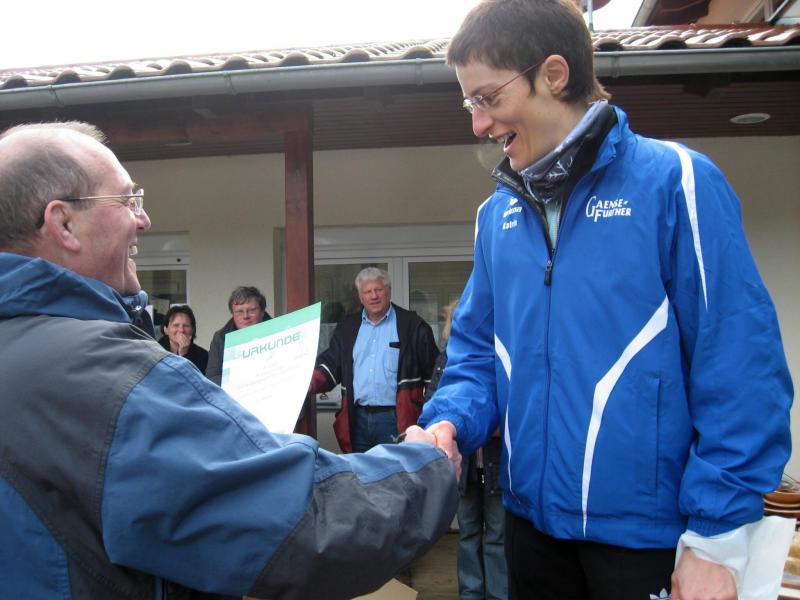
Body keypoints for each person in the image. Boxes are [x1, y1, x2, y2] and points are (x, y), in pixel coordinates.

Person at [413, 2, 794, 600]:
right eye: (470, 104)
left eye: (486, 98)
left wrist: (718, 539)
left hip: (648, 540)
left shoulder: (677, 181)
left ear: (553, 74)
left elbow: (741, 367)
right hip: (530, 529)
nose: (478, 124)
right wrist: (447, 422)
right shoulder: (496, 217)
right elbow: (477, 356)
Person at [0, 121, 459, 599]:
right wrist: (426, 467)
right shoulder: (110, 380)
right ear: (64, 223)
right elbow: (304, 525)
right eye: (127, 200)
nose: (144, 219)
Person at [425, 299, 507, 600]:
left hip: (497, 465)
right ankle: (471, 594)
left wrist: (484, 423)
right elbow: (432, 402)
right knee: (468, 532)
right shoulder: (446, 360)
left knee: (497, 535)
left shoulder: (499, 358)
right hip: (464, 466)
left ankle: (499, 595)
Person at [309, 267, 439, 453]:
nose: (374, 296)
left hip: (396, 419)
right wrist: (303, 383)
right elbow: (330, 365)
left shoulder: (412, 326)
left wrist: (434, 417)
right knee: (359, 469)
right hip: (357, 420)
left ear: (389, 291)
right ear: (361, 297)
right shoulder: (347, 328)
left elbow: (434, 375)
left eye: (378, 290)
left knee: (395, 469)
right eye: (367, 292)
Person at [206, 285, 272, 385]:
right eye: (239, 312)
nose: (245, 316)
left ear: (262, 311)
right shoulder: (221, 338)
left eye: (252, 310)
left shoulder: (281, 331)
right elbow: (213, 377)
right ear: (233, 314)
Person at [158, 304, 209, 374]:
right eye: (176, 325)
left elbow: (195, 378)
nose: (181, 330)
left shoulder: (203, 356)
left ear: (192, 330)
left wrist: (184, 355)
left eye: (186, 326)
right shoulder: (156, 353)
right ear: (166, 329)